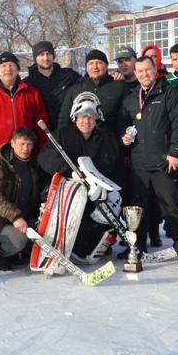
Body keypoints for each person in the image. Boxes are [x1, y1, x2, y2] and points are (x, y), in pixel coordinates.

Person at [39, 93, 123, 262]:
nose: (87, 121)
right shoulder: (62, 135)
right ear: (75, 117)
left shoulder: (107, 140)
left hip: (97, 198)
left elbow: (116, 171)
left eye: (91, 117)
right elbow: (44, 158)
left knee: (105, 215)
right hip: (70, 197)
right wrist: (69, 172)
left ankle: (97, 240)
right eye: (82, 116)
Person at [119, 55, 178, 258]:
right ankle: (137, 247)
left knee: (171, 209)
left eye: (147, 70)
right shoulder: (131, 97)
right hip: (139, 164)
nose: (144, 74)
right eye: (139, 71)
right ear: (135, 73)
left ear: (155, 68)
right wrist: (123, 137)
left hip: (163, 163)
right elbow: (122, 123)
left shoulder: (168, 93)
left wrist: (175, 152)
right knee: (138, 210)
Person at [0, 127, 44, 271]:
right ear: (12, 143)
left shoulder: (33, 166)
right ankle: (0, 253)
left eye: (29, 144)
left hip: (23, 219)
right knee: (19, 240)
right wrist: (15, 217)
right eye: (21, 144)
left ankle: (17, 252)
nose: (25, 148)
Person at [0, 51, 49, 168]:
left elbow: (42, 126)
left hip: (27, 156)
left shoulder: (31, 92)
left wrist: (43, 152)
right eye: (3, 66)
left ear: (17, 69)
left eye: (12, 65)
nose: (8, 69)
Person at [57, 49, 127, 135]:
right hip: (82, 143)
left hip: (110, 142)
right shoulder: (75, 89)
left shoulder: (119, 87)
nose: (95, 67)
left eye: (99, 63)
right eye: (91, 63)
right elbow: (64, 119)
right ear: (86, 67)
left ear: (106, 66)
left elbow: (126, 118)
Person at [24, 40, 82, 124]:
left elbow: (86, 86)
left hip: (67, 129)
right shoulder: (28, 82)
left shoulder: (69, 75)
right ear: (35, 58)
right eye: (41, 55)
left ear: (53, 56)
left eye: (48, 54)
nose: (46, 58)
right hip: (43, 131)